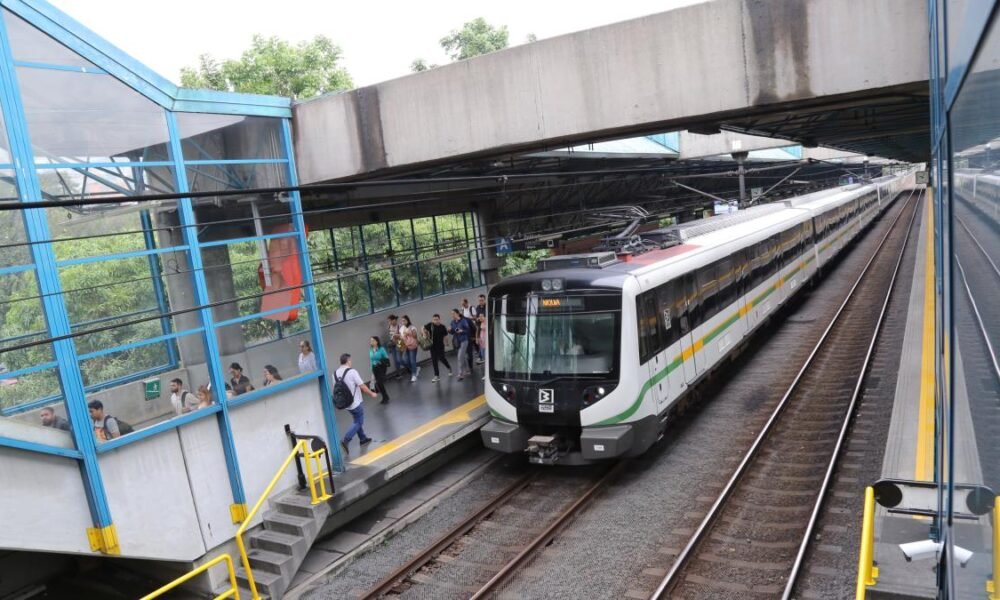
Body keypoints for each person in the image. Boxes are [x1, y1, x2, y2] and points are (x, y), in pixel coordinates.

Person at [335, 353, 377, 455]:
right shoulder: (352, 372)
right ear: (348, 361)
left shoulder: (335, 373)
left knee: (356, 420)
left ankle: (363, 438)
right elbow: (362, 386)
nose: (351, 362)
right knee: (359, 422)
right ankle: (346, 440)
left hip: (346, 403)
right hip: (355, 402)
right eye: (351, 360)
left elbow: (335, 389)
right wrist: (371, 393)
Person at [425, 315, 452, 383]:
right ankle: (436, 375)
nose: (436, 321)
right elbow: (423, 327)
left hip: (440, 346)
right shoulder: (430, 325)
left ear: (439, 319)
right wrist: (424, 333)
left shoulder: (442, 327)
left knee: (442, 358)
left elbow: (445, 335)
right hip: (432, 346)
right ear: (432, 320)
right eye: (434, 319)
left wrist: (447, 343)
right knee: (434, 361)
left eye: (437, 319)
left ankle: (449, 368)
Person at [449, 309, 474, 380]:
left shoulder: (463, 321)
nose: (452, 315)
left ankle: (461, 373)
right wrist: (450, 330)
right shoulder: (452, 322)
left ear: (457, 314)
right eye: (451, 314)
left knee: (460, 357)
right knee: (463, 356)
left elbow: (467, 330)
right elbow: (453, 332)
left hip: (464, 340)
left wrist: (461, 331)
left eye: (453, 313)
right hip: (458, 341)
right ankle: (468, 370)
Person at [369, 336, 391, 404]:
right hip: (375, 368)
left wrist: (380, 361)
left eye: (372, 340)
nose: (371, 342)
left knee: (379, 383)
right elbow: (371, 359)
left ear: (376, 341)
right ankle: (385, 397)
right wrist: (372, 368)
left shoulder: (381, 349)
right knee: (378, 383)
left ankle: (385, 397)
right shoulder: (371, 349)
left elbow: (386, 358)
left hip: (381, 368)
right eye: (370, 341)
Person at [401, 315, 421, 382]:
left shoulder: (412, 327)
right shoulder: (401, 328)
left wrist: (408, 333)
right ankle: (415, 369)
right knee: (404, 360)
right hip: (405, 346)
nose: (403, 322)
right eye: (402, 321)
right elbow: (401, 338)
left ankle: (414, 375)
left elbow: (415, 336)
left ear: (408, 320)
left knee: (412, 360)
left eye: (404, 320)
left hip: (413, 346)